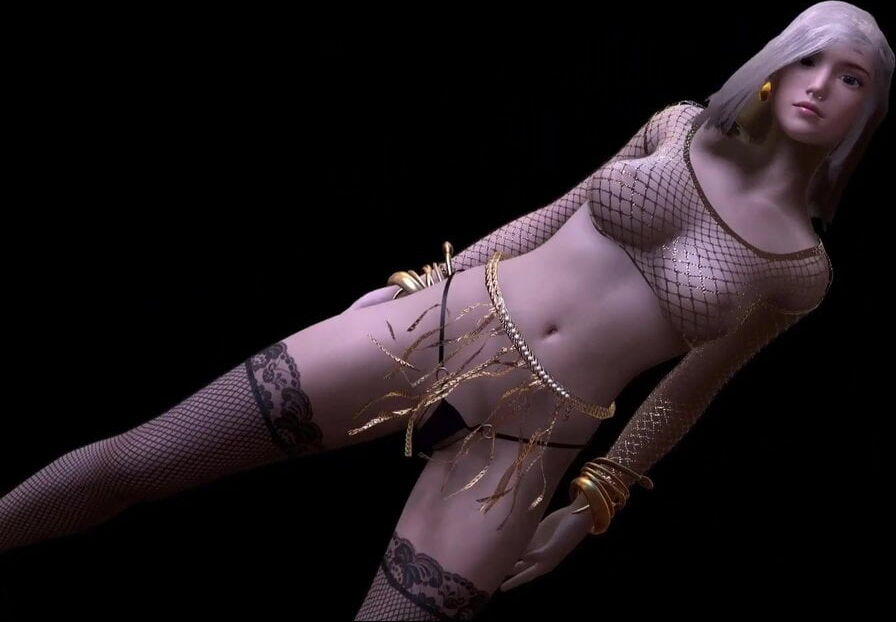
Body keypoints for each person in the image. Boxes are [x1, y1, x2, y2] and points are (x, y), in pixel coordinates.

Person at [1, 2, 891, 619]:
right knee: (138, 459)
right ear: (773, 64)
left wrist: (596, 501)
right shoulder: (678, 126)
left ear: (867, 110)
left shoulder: (801, 271)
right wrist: (422, 282)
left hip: (533, 441)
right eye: (806, 57)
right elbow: (554, 213)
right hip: (437, 329)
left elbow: (691, 389)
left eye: (849, 77)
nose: (819, 84)